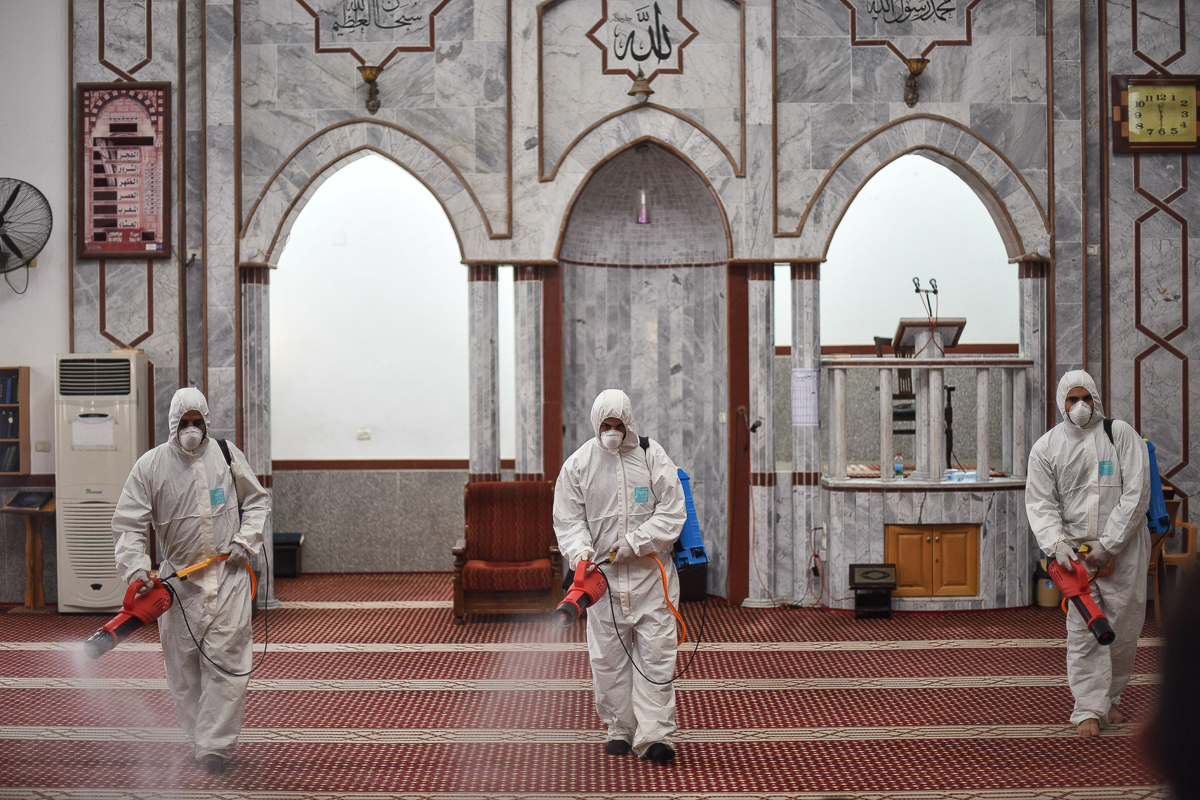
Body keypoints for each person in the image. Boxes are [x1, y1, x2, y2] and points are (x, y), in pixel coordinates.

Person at [111, 387, 269, 774]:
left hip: (229, 577)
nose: (192, 429)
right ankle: (199, 737)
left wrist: (244, 541)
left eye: (198, 421)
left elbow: (257, 501)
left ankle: (215, 746)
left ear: (207, 421)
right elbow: (128, 523)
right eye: (184, 422)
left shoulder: (227, 454)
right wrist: (135, 568)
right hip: (178, 586)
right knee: (183, 668)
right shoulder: (150, 466)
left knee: (227, 662)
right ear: (172, 425)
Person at [553, 389, 687, 762]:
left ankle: (656, 735)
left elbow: (674, 511)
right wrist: (580, 551)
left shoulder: (651, 455)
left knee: (656, 656)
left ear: (630, 423)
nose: (612, 432)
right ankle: (619, 728)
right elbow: (568, 519)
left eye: (618, 425)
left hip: (650, 578)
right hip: (603, 583)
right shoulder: (579, 464)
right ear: (596, 424)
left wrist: (636, 541)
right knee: (608, 658)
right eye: (606, 426)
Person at [1025, 370, 1150, 738]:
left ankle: (1111, 698)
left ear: (1096, 398)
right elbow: (1040, 502)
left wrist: (1109, 544)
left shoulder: (1120, 434)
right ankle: (1088, 709)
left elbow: (1137, 493)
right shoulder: (1047, 447)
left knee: (1123, 630)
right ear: (1061, 403)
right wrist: (1057, 544)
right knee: (1084, 630)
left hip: (1123, 549)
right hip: (1076, 557)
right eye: (1071, 399)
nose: (1080, 407)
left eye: (1086, 398)